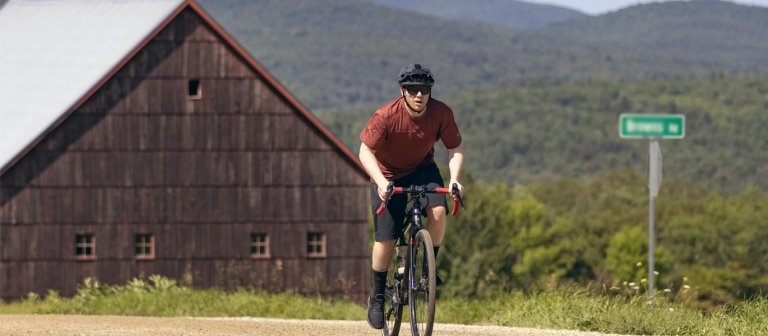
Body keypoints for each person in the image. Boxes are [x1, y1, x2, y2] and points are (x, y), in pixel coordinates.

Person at [359, 63, 464, 329]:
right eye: (414, 90)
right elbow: (364, 151)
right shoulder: (386, 115)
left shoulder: (441, 113)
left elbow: (455, 148)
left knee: (438, 212)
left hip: (421, 169)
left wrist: (454, 180)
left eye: (425, 90)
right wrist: (382, 183)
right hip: (387, 174)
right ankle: (378, 296)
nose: (420, 95)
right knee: (386, 238)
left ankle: (429, 269)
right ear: (403, 91)